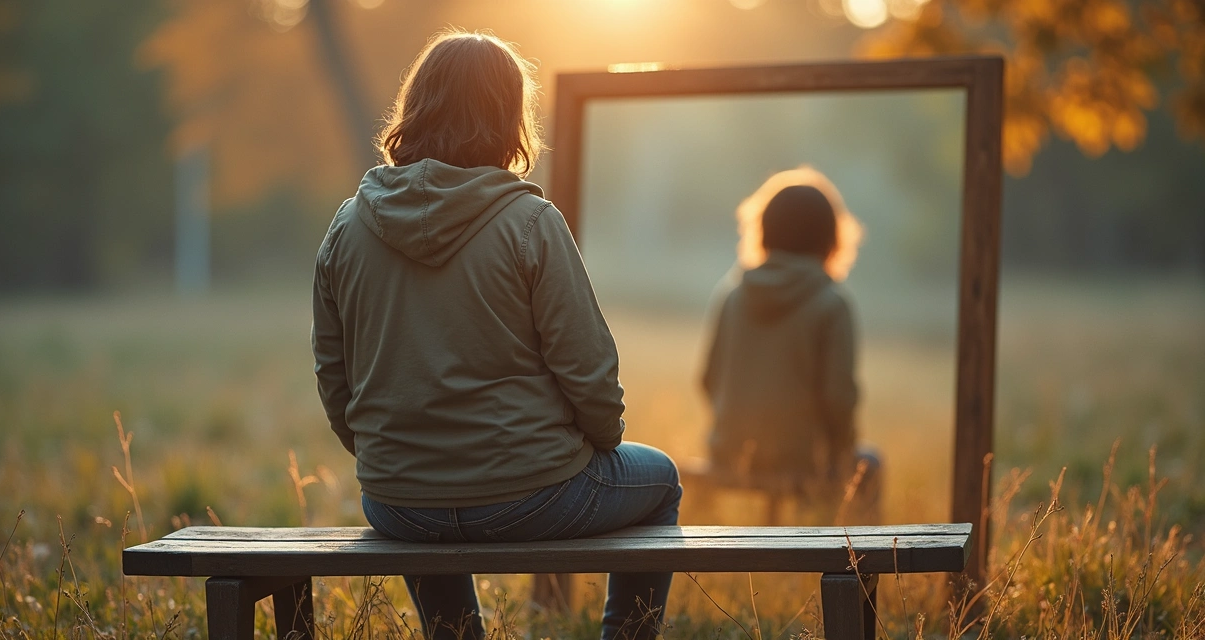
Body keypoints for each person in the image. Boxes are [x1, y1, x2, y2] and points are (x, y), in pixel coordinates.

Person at [310, 30, 681, 640]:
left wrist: (397, 460)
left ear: (416, 105)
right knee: (660, 477)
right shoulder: (531, 221)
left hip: (398, 504)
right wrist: (600, 443)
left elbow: (334, 375)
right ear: (509, 116)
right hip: (532, 492)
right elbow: (588, 368)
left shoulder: (347, 227)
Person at [700, 167, 879, 519]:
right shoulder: (832, 303)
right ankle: (854, 570)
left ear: (763, 231)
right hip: (805, 460)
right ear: (832, 239)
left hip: (730, 454)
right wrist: (842, 452)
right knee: (870, 464)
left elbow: (707, 379)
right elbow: (839, 398)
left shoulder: (732, 294)